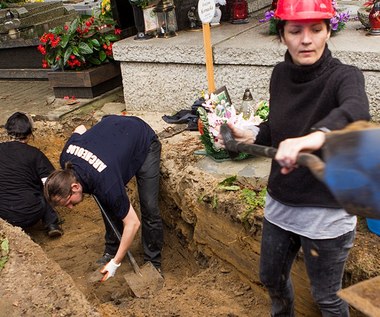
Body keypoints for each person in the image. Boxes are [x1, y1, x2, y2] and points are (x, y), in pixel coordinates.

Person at [219, 0, 371, 316]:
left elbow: (354, 113)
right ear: (282, 34)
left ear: (329, 31)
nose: (306, 40)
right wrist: (250, 134)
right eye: (295, 30)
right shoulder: (280, 74)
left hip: (326, 212)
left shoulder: (345, 77)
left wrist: (309, 140)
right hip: (282, 204)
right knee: (271, 279)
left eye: (316, 29)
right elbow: (277, 128)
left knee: (326, 297)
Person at [44, 115, 163, 281]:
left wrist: (116, 263)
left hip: (141, 139)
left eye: (69, 203)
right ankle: (112, 248)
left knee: (149, 206)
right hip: (112, 133)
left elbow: (133, 223)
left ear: (75, 187)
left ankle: (153, 261)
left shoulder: (107, 182)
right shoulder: (66, 158)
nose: (70, 208)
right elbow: (80, 130)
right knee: (105, 201)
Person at [0, 112, 63, 238]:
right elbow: (52, 184)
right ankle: (52, 224)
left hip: (3, 216)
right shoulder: (35, 154)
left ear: (7, 132)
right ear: (29, 134)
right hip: (31, 212)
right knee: (44, 184)